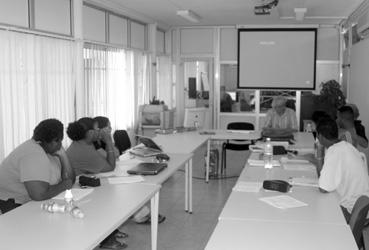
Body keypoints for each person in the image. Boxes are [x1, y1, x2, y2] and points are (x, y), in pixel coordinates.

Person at [0, 119, 75, 214]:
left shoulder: (50, 150)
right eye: (59, 141)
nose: (60, 145)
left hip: (32, 204)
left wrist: (63, 156)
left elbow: (70, 179)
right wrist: (65, 185)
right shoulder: (33, 153)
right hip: (14, 207)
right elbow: (38, 195)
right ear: (55, 141)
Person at [305, 117, 369, 221]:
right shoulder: (345, 146)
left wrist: (320, 155)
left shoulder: (335, 151)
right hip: (360, 204)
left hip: (350, 209)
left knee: (312, 213)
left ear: (320, 136)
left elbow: (324, 188)